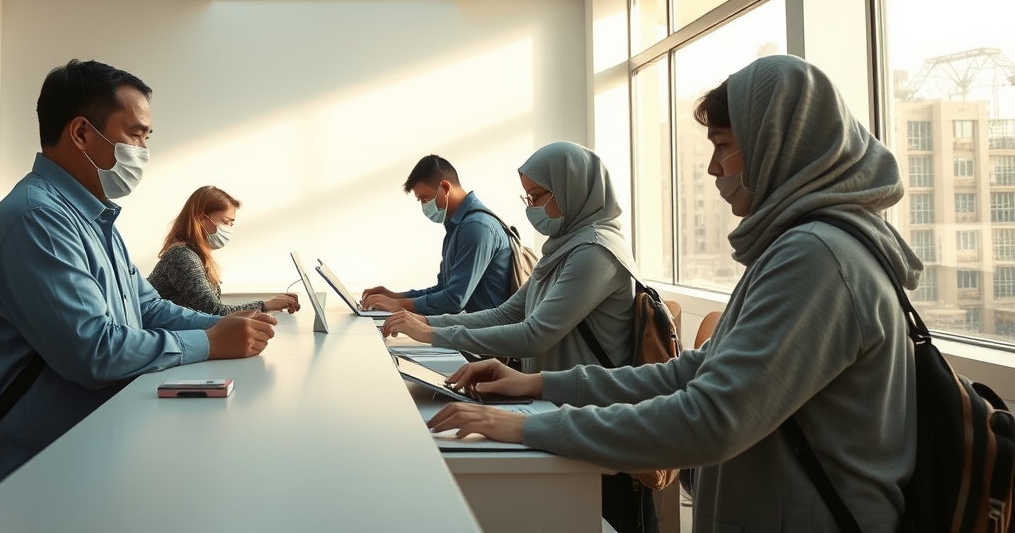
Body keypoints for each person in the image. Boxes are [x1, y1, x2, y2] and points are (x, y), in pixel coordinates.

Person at [428, 56, 919, 533]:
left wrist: (527, 427)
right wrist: (537, 387)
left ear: (773, 143)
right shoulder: (799, 245)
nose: (711, 168)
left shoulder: (816, 257)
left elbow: (711, 418)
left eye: (722, 145)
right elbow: (697, 371)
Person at [0, 60, 277, 509]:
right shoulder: (38, 218)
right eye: (136, 134)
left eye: (148, 137)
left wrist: (225, 325)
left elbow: (149, 307)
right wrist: (209, 342)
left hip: (89, 457)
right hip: (39, 477)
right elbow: (94, 351)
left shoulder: (93, 217)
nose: (144, 149)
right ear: (83, 134)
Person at [380, 143, 636, 376]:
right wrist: (425, 322)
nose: (530, 207)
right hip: (548, 396)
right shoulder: (562, 248)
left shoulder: (597, 251)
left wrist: (434, 334)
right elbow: (506, 314)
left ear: (570, 190)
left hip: (580, 410)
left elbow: (533, 335)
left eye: (535, 197)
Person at [360, 155, 515, 315]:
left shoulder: (477, 226)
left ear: (445, 188)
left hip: (485, 335)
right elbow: (443, 290)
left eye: (424, 198)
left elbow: (454, 300)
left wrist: (399, 305)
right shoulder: (457, 226)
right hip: (468, 330)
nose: (424, 206)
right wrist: (394, 297)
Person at [149, 186, 300, 316]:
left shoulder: (193, 255)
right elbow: (213, 312)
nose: (229, 230)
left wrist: (271, 303)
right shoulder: (182, 257)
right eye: (226, 222)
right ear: (201, 219)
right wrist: (265, 306)